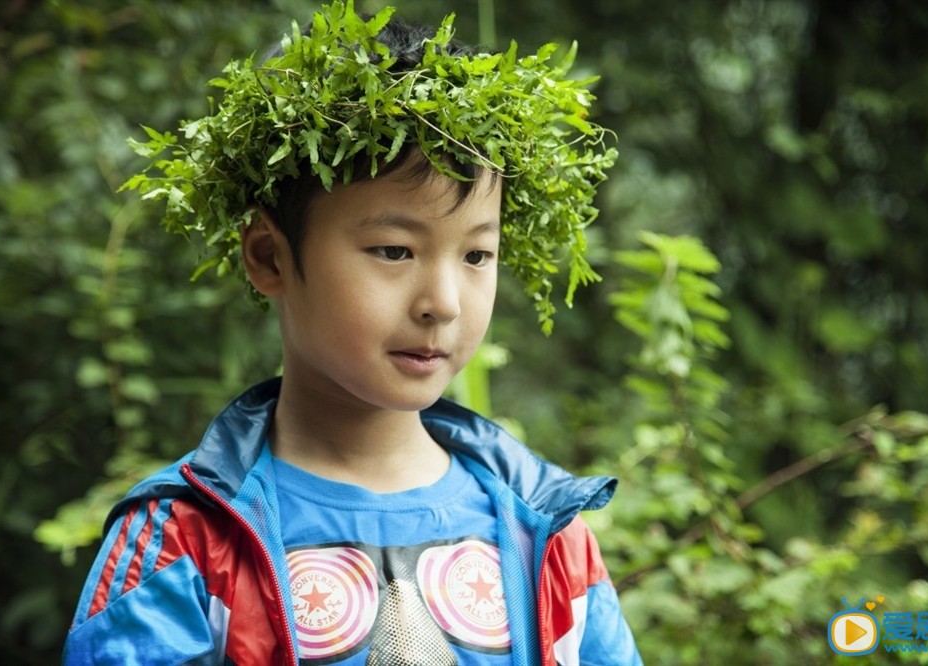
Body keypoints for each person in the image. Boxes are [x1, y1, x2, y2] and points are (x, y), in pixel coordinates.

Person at [63, 2, 640, 664]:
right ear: (270, 257)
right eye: (395, 251)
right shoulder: (184, 544)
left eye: (477, 255)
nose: (444, 303)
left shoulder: (548, 535)